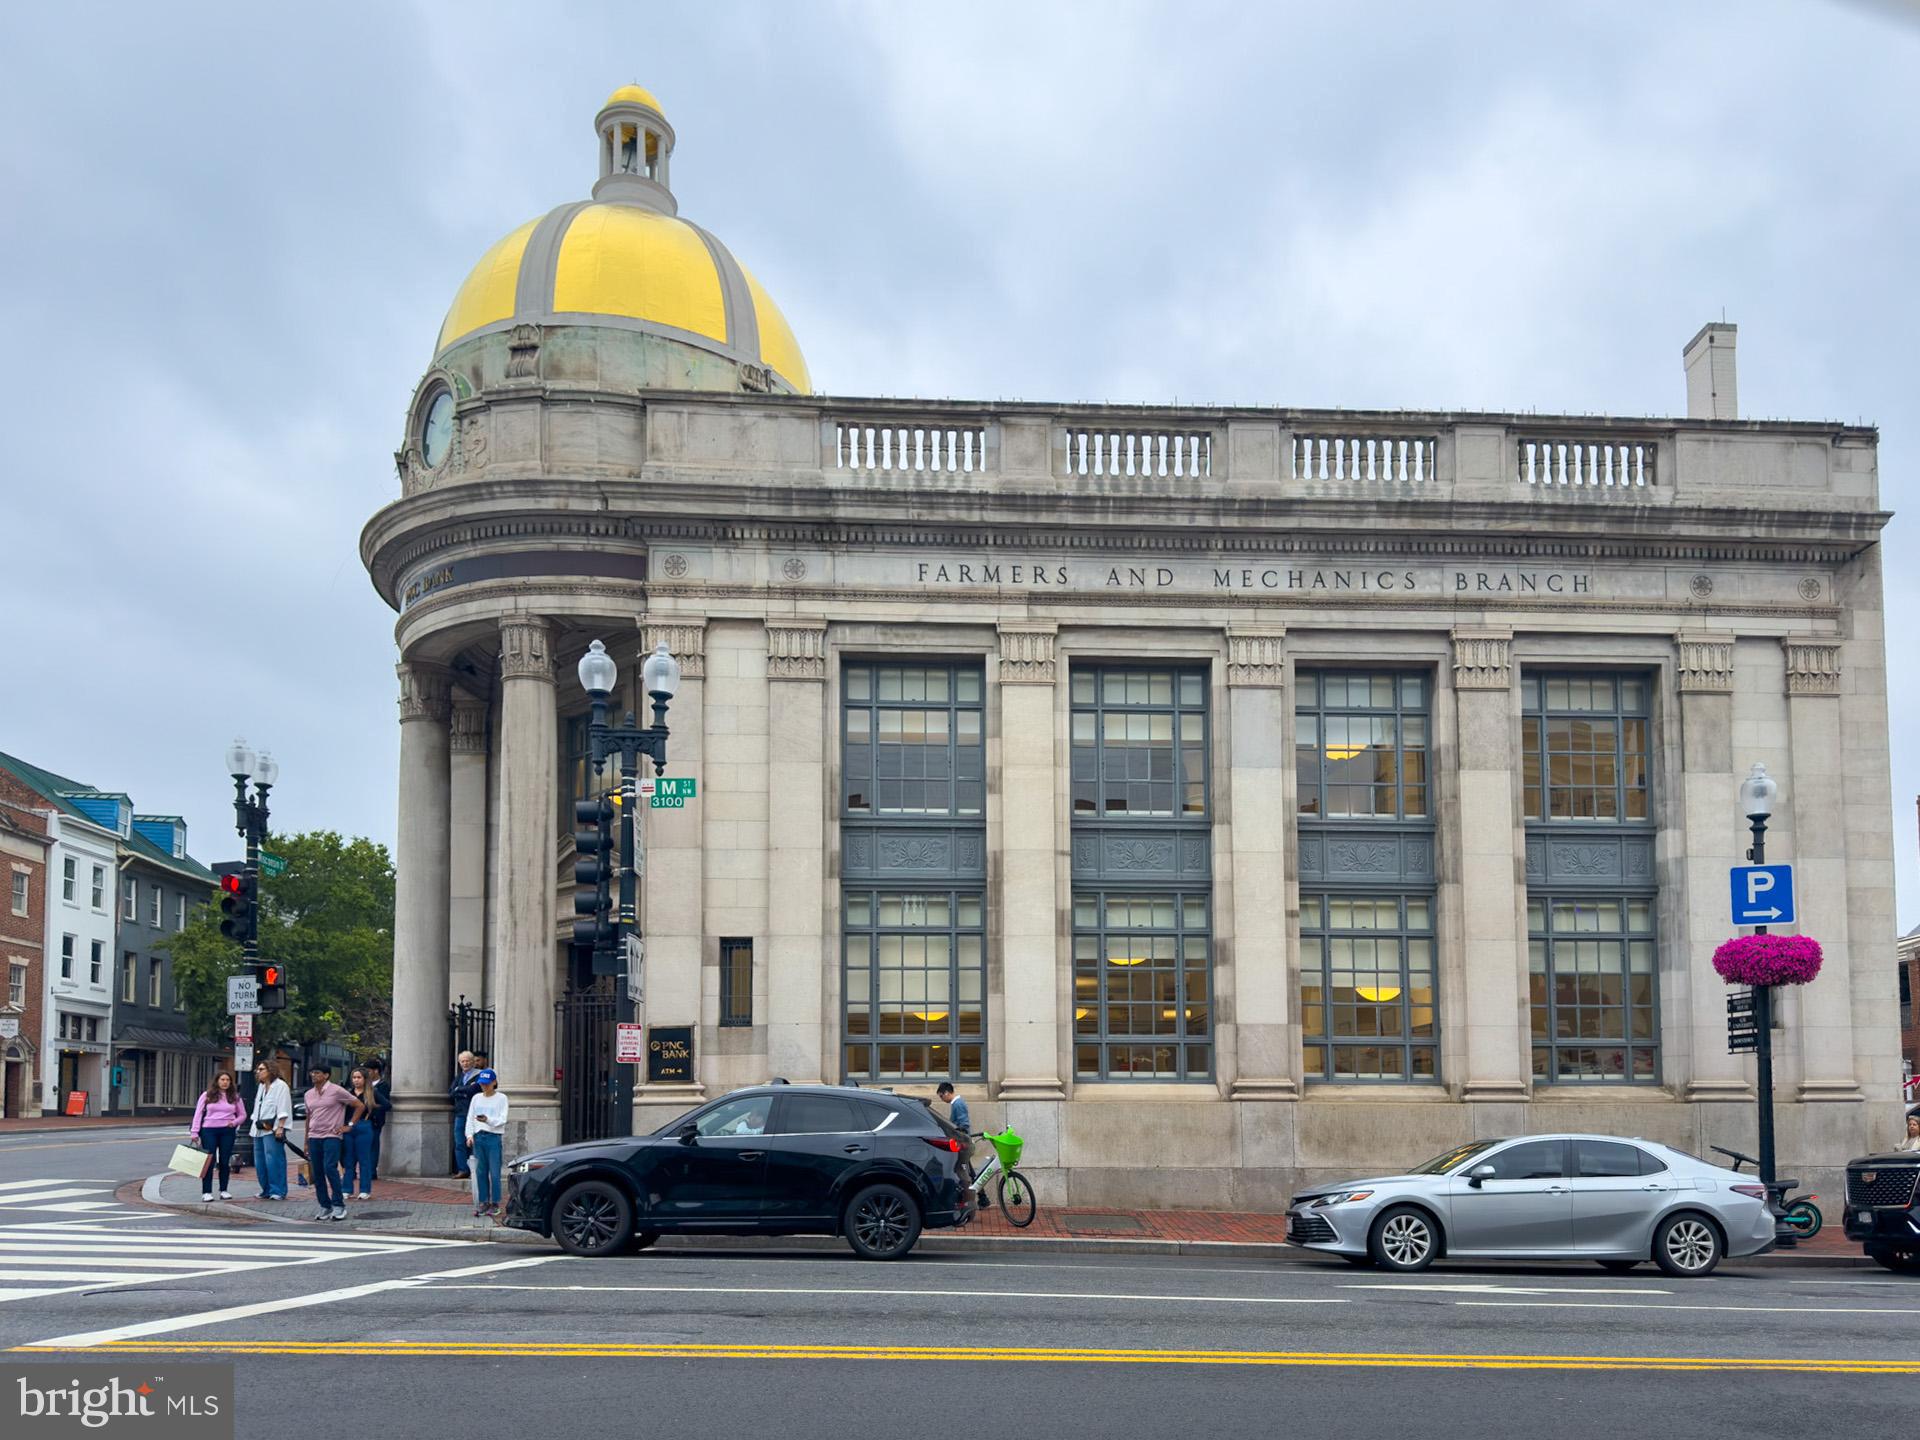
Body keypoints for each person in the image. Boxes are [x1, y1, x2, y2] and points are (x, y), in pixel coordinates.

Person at [303, 1063, 366, 1222]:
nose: (313, 1075)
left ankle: (339, 1205)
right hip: (314, 1136)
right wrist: (306, 1141)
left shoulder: (336, 1090)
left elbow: (359, 1105)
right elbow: (309, 1117)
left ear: (326, 1075)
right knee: (317, 1172)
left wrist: (349, 1126)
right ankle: (325, 1205)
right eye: (312, 1072)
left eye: (317, 1072)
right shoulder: (309, 1094)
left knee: (329, 1168)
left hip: (332, 1135)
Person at [189, 1070, 246, 1202]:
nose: (225, 1082)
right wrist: (194, 1132)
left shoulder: (235, 1097)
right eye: (222, 1080)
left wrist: (235, 1122)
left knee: (225, 1161)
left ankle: (224, 1190)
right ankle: (206, 1191)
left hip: (227, 1130)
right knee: (209, 1161)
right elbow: (198, 1114)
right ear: (217, 1081)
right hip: (209, 1130)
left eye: (227, 1080)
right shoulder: (207, 1095)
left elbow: (243, 1115)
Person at [464, 1069, 509, 1218]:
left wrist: (487, 1120)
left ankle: (495, 1203)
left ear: (494, 1082)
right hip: (479, 1137)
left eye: (487, 1084)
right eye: (482, 1084)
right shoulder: (476, 1098)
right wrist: (469, 1135)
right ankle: (484, 1201)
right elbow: (470, 1117)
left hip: (493, 1137)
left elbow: (502, 1119)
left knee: (494, 1172)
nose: (484, 1086)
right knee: (480, 1171)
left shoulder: (502, 1098)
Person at [250, 1060, 293, 1201]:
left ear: (270, 1070)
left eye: (261, 1069)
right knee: (260, 1160)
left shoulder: (281, 1086)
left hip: (273, 1129)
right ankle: (266, 1189)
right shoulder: (261, 1087)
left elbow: (283, 1107)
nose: (258, 1071)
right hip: (258, 1128)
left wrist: (280, 1126)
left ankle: (278, 1190)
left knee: (273, 1159)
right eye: (258, 1069)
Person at [340, 1067, 377, 1200]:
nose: (356, 1080)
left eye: (359, 1077)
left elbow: (386, 1105)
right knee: (348, 1159)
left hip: (364, 1126)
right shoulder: (348, 1093)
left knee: (364, 1160)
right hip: (349, 1128)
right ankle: (346, 1189)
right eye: (354, 1077)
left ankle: (365, 1190)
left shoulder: (371, 1093)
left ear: (365, 1079)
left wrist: (374, 1118)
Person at [449, 1050, 479, 1180]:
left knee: (475, 1142)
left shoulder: (479, 1075)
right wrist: (463, 1091)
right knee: (459, 1142)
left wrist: (459, 1090)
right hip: (460, 1114)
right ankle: (463, 1169)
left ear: (472, 1062)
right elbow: (451, 1092)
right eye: (462, 1061)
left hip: (474, 1114)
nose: (465, 1063)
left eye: (467, 1060)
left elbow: (475, 1090)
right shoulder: (459, 1077)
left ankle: (476, 1170)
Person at [365, 1058, 393, 1181]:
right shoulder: (363, 1084)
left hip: (375, 1120)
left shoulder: (383, 1086)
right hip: (362, 1119)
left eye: (368, 1071)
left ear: (376, 1071)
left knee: (373, 1145)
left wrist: (374, 1108)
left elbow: (386, 1104)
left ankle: (372, 1171)